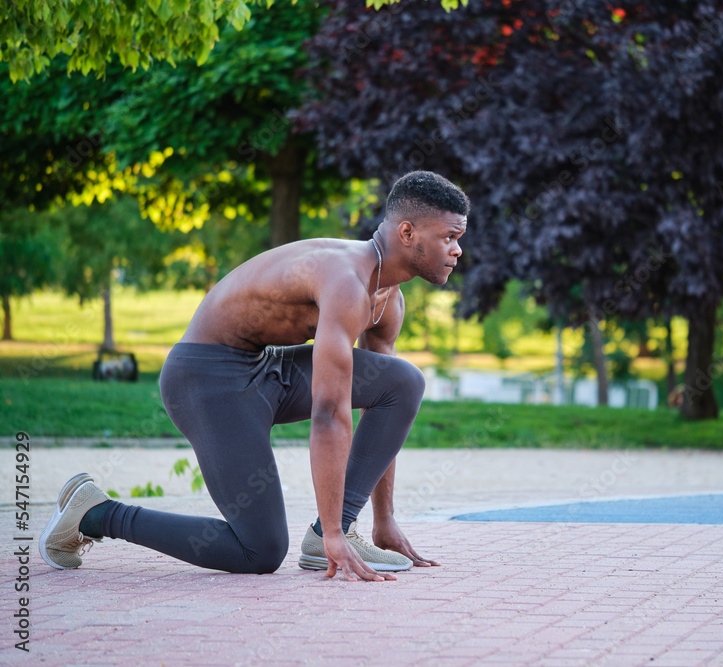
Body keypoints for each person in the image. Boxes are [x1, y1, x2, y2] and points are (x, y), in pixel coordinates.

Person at [39, 171, 468, 582]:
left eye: (458, 239)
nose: (457, 250)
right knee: (260, 551)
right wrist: (339, 531)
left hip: (266, 367)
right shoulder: (346, 281)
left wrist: (384, 519)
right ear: (408, 233)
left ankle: (324, 538)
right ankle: (96, 513)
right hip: (206, 378)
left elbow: (377, 396)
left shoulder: (388, 299)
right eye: (448, 237)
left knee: (402, 381)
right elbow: (329, 411)